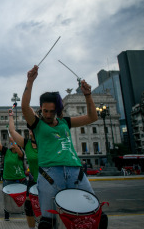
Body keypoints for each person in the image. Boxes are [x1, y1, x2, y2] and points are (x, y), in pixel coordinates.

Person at [21, 65, 108, 229]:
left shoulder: (65, 122)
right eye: (44, 111)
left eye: (51, 111)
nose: (47, 115)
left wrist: (88, 95)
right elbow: (25, 107)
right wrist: (30, 81)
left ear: (57, 110)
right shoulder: (37, 124)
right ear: (40, 109)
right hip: (50, 174)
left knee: (97, 217)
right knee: (48, 222)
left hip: (76, 172)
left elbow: (92, 117)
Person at [8, 108, 38, 229]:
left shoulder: (47, 143)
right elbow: (12, 131)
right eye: (30, 128)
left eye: (33, 128)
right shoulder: (27, 144)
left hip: (50, 180)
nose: (30, 130)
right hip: (34, 179)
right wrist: (11, 116)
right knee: (28, 206)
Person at [0, 127, 27, 221]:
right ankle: (7, 214)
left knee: (22, 197)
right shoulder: (7, 152)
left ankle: (23, 211)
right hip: (8, 179)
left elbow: (19, 152)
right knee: (7, 198)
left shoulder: (20, 153)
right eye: (11, 143)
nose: (11, 144)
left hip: (20, 179)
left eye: (13, 144)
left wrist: (14, 141)